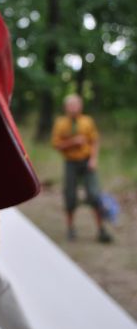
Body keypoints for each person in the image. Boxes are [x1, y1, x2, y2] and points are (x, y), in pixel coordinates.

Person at [51, 94, 113, 243]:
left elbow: (94, 141)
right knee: (70, 196)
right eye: (70, 105)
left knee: (94, 195)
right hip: (70, 163)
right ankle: (71, 229)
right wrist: (72, 142)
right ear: (66, 107)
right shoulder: (60, 123)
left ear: (80, 106)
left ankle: (101, 230)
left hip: (87, 162)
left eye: (76, 105)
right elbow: (56, 144)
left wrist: (93, 159)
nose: (73, 108)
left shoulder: (87, 121)